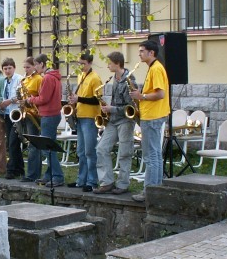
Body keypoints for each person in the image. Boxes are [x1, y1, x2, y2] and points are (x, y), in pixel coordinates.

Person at [129, 40, 171, 202]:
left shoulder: (156, 69)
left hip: (152, 116)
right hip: (151, 115)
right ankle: (156, 189)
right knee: (155, 155)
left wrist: (142, 96)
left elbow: (160, 94)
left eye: (142, 51)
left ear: (151, 53)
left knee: (150, 155)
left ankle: (149, 191)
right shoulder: (154, 67)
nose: (139, 54)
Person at [94, 52, 137, 195]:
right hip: (113, 120)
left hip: (125, 120)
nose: (108, 65)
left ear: (117, 63)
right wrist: (107, 111)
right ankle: (107, 182)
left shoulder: (129, 80)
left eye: (110, 63)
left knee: (125, 153)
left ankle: (123, 184)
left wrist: (111, 109)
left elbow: (131, 107)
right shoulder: (114, 78)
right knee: (101, 148)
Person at [25, 54, 64, 187]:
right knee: (50, 146)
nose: (35, 67)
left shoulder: (47, 77)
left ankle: (58, 176)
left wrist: (30, 99)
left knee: (46, 148)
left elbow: (43, 99)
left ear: (42, 64)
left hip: (48, 115)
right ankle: (48, 175)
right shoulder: (54, 76)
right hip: (54, 114)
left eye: (36, 64)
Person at [67, 51, 102, 192]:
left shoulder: (95, 78)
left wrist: (79, 99)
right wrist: (74, 101)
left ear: (90, 63)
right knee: (81, 151)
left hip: (90, 117)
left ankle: (92, 181)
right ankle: (81, 180)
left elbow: (97, 100)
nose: (80, 66)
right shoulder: (81, 75)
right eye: (79, 63)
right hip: (80, 116)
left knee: (89, 151)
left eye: (83, 64)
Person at [0, 58, 24, 179]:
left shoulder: (19, 79)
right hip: (8, 114)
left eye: (9, 68)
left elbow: (21, 96)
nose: (7, 71)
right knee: (11, 143)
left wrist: (9, 101)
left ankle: (11, 170)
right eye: (5, 69)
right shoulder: (5, 81)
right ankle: (20, 169)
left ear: (14, 68)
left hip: (17, 114)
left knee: (13, 142)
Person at [20, 56, 43, 183]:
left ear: (34, 66)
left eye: (28, 67)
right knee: (31, 144)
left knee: (34, 145)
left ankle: (33, 174)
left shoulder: (39, 79)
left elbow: (41, 96)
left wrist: (30, 100)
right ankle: (32, 173)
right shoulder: (25, 79)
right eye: (24, 67)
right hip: (27, 113)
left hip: (35, 113)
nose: (26, 69)